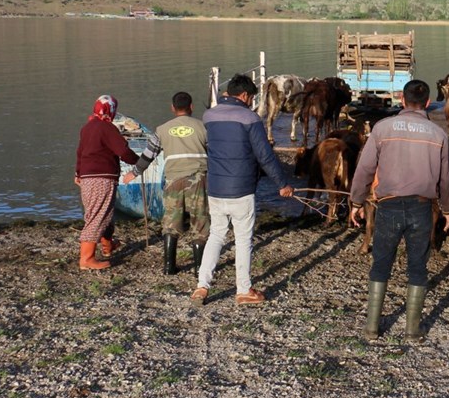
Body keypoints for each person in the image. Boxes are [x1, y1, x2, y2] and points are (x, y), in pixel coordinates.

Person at [349, 79, 449, 341]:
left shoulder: (382, 128)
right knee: (418, 266)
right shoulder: (439, 134)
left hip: (388, 206)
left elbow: (364, 169)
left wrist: (356, 202)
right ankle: (412, 331)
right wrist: (447, 208)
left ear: (401, 100)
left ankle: (372, 328)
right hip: (422, 208)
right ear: (428, 103)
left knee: (381, 263)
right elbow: (447, 179)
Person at [192, 75, 293, 306]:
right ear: (245, 96)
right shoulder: (250, 118)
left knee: (216, 235)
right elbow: (265, 156)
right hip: (241, 190)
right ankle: (243, 289)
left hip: (216, 188)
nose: (252, 102)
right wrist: (282, 184)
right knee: (243, 239)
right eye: (252, 98)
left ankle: (201, 287)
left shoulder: (209, 116)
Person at [125, 91, 210, 275]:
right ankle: (198, 269)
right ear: (191, 107)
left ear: (173, 108)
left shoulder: (162, 130)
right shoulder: (203, 127)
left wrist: (134, 173)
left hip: (173, 180)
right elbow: (216, 153)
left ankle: (169, 267)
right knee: (200, 222)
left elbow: (148, 155)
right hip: (198, 179)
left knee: (171, 222)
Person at [74, 94, 139, 271]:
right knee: (97, 216)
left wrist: (78, 173)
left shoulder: (87, 128)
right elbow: (123, 151)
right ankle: (86, 259)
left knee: (103, 213)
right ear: (110, 111)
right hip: (101, 178)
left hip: (87, 177)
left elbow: (80, 152)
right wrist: (139, 162)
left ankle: (107, 247)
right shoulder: (106, 127)